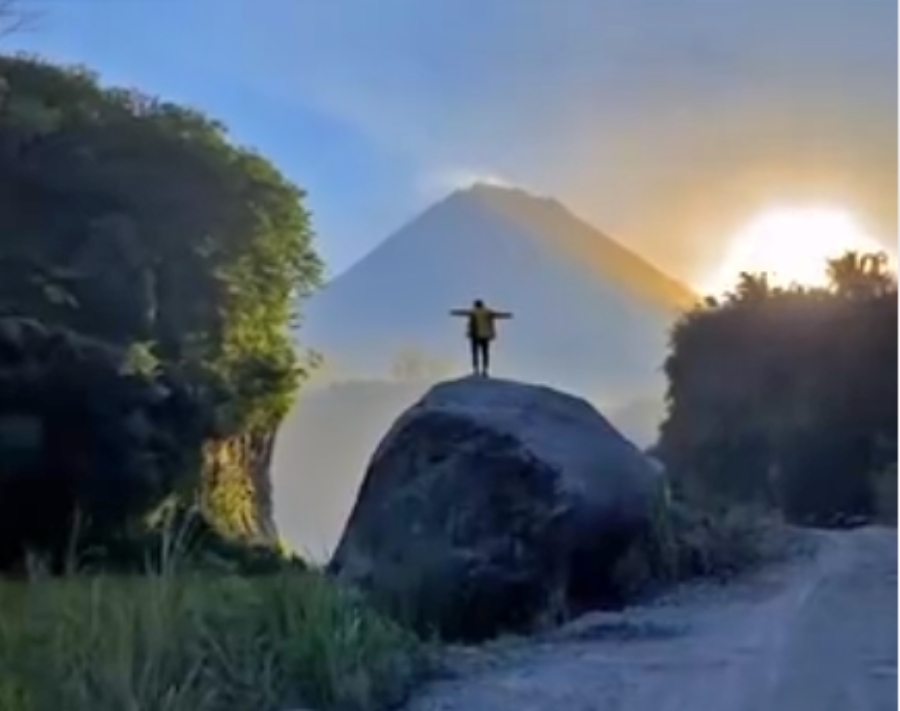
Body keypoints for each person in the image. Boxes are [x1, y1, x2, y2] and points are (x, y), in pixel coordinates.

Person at [449, 299, 513, 376]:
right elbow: (498, 315)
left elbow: (463, 313)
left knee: (475, 353)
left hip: (475, 335)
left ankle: (476, 369)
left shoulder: (474, 312)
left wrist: (454, 312)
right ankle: (485, 370)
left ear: (476, 305)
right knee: (485, 353)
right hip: (486, 335)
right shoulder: (487, 312)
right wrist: (507, 315)